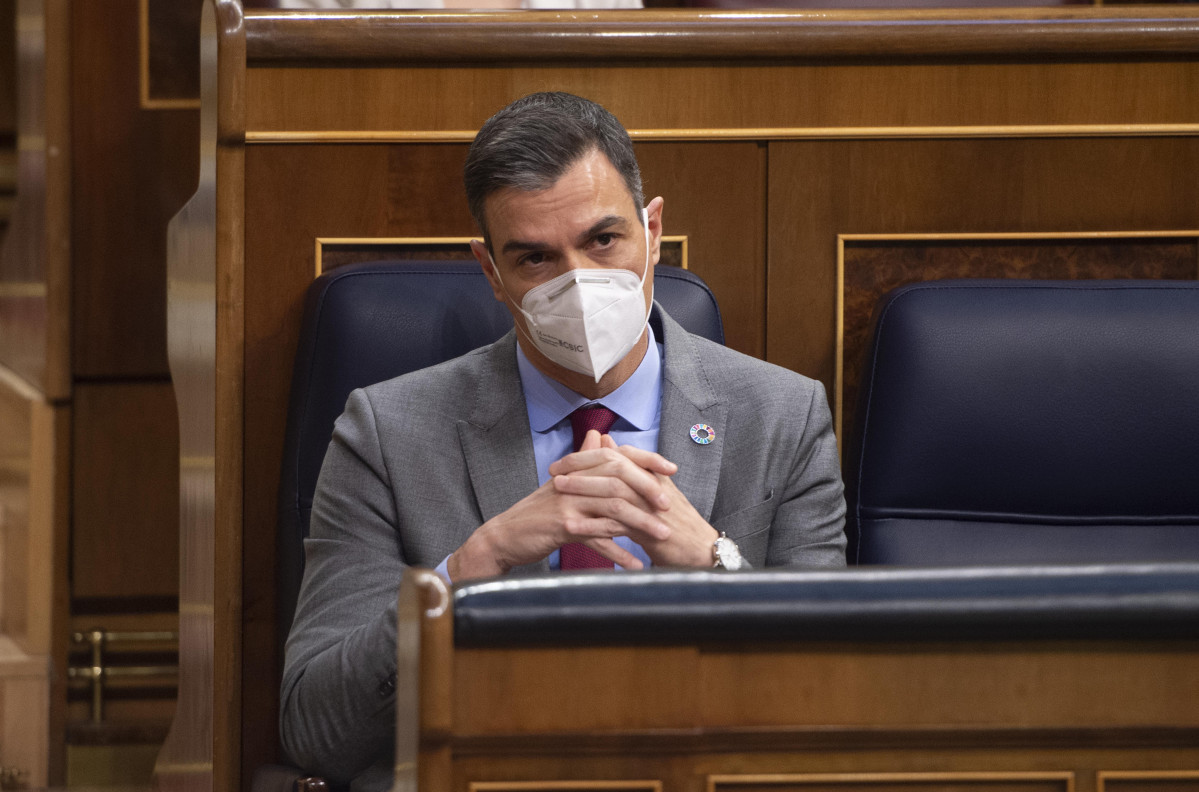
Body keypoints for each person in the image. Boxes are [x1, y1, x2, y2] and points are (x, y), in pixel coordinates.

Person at [280, 91, 846, 790]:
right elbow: (315, 730)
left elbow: (828, 702)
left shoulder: (782, 415)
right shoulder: (386, 433)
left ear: (653, 231)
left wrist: (712, 561)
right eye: (535, 259)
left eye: (602, 240)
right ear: (491, 272)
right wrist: (465, 572)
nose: (577, 282)